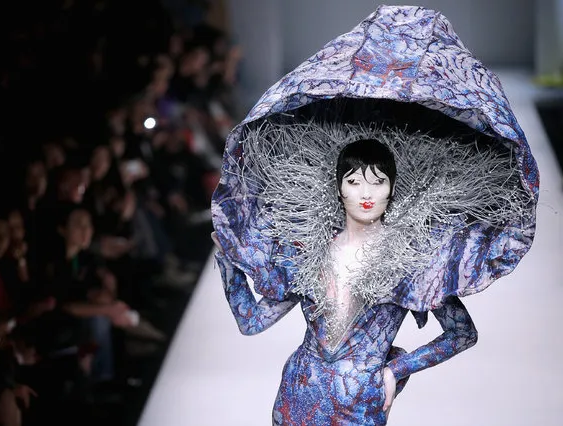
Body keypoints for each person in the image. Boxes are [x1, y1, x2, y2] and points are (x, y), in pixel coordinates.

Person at [211, 5, 538, 426]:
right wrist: (225, 259)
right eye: (354, 181)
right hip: (297, 392)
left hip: (361, 403)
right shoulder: (307, 251)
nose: (366, 193)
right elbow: (251, 321)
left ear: (393, 189)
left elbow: (462, 334)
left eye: (378, 182)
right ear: (338, 188)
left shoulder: (415, 259)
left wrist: (395, 370)